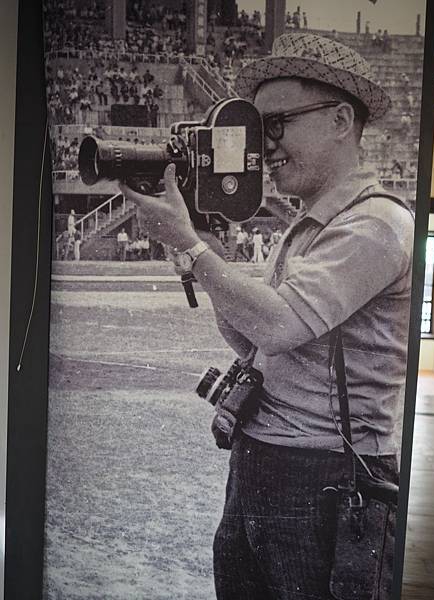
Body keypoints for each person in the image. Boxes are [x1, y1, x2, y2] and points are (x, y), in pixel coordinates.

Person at [120, 32, 414, 600]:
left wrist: (192, 247)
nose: (263, 146)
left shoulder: (375, 223)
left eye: (277, 124)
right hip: (268, 462)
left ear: (340, 120)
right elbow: (251, 338)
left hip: (328, 473)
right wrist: (200, 247)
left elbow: (278, 325)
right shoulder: (312, 223)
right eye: (258, 128)